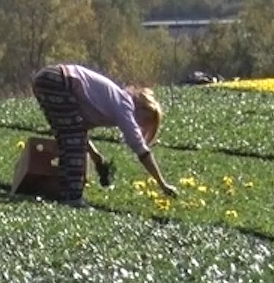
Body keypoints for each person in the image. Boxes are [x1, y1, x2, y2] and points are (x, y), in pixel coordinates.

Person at [30, 63, 177, 206]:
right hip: (57, 81)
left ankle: (63, 190)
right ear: (142, 107)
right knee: (72, 141)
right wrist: (163, 184)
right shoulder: (124, 105)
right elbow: (141, 150)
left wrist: (95, 157)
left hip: (46, 79)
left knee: (67, 138)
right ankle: (72, 197)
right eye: (145, 119)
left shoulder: (111, 100)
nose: (140, 125)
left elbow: (80, 129)